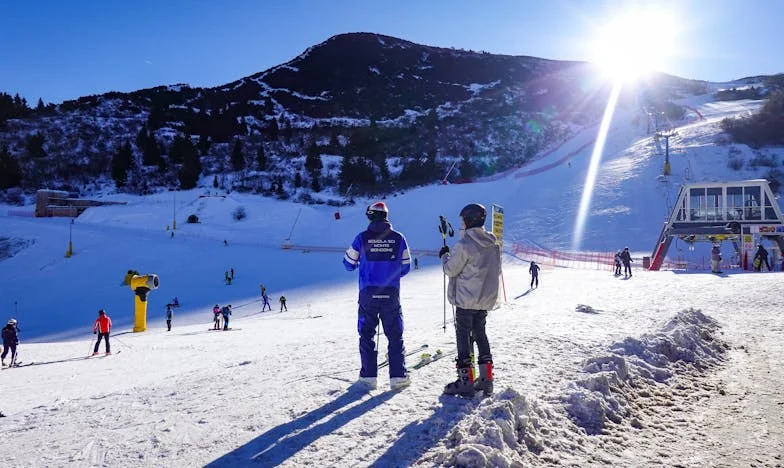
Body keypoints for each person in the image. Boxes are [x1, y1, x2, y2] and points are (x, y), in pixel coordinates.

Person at [343, 201, 412, 391]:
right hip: (390, 294)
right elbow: (406, 266)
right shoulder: (399, 238)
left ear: (370, 216)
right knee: (395, 336)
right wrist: (389, 275)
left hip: (367, 295)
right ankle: (398, 377)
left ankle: (368, 378)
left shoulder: (361, 238)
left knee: (366, 335)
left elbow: (348, 263)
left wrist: (365, 268)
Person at [439, 203, 501, 397]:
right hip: (484, 298)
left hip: (466, 299)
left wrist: (444, 256)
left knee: (463, 336)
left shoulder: (464, 244)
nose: (462, 224)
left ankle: (465, 381)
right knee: (480, 333)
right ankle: (486, 379)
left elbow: (451, 269)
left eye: (463, 220)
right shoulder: (493, 243)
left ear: (469, 220)